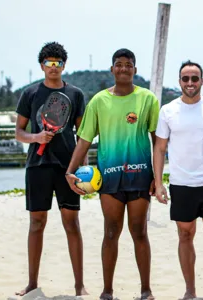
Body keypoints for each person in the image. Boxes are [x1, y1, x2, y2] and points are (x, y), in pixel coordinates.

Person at [65, 48, 158, 300]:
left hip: (140, 175)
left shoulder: (147, 99)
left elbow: (157, 141)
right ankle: (107, 291)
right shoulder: (98, 101)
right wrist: (70, 171)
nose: (124, 68)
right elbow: (84, 140)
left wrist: (158, 178)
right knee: (110, 232)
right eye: (119, 64)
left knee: (139, 232)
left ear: (135, 70)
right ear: (112, 69)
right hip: (109, 177)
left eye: (128, 65)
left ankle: (146, 290)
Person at [153, 60, 203, 300]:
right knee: (185, 236)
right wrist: (158, 183)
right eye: (185, 78)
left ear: (202, 81)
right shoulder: (168, 110)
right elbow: (159, 149)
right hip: (181, 184)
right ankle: (190, 291)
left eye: (194, 78)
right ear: (179, 81)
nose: (190, 83)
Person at [14, 42, 88, 296]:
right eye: (49, 62)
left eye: (58, 63)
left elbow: (84, 136)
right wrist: (36, 138)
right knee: (37, 223)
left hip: (68, 168)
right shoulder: (30, 94)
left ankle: (80, 286)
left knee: (72, 224)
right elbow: (19, 132)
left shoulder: (76, 94)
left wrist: (83, 172)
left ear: (64, 66)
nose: (53, 67)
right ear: (42, 65)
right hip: (37, 166)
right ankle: (32, 284)